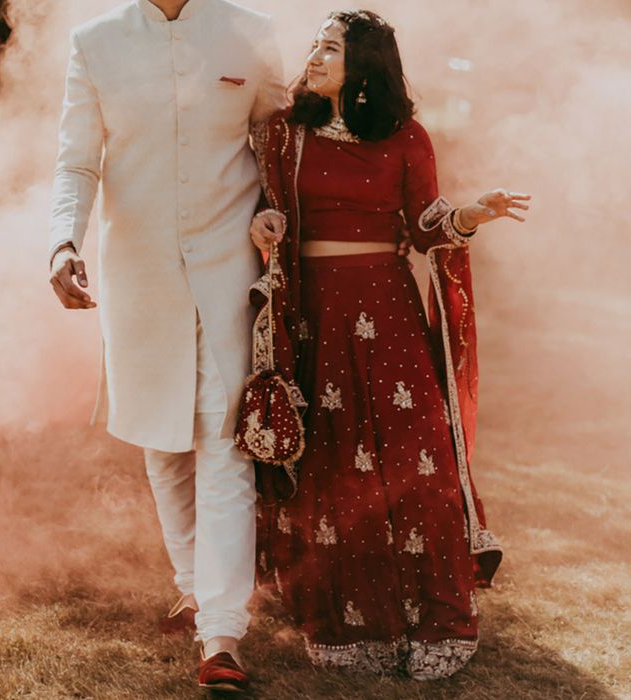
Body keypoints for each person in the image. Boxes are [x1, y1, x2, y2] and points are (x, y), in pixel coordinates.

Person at [248, 10, 530, 681]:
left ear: (365, 65)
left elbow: (428, 225)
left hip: (387, 310)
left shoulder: (408, 136)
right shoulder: (286, 133)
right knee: (332, 466)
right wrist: (262, 223)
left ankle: (436, 614)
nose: (314, 57)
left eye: (331, 48)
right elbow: (259, 204)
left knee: (416, 464)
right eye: (314, 44)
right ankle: (351, 617)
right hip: (313, 314)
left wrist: (468, 215)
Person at [47, 0, 287, 691]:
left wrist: (276, 208)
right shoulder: (95, 43)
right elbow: (76, 163)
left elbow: (279, 142)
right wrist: (62, 243)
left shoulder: (251, 32)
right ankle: (192, 584)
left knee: (222, 437)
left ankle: (222, 632)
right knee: (162, 438)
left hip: (229, 267)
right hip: (139, 272)